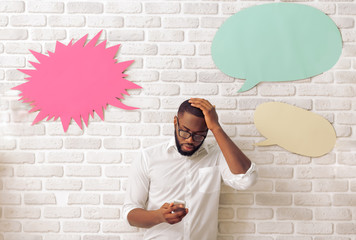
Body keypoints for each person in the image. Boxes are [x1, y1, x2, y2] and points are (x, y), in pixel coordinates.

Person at [123, 98, 257, 240]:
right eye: (185, 132)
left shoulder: (217, 156)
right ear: (175, 122)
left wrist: (216, 127)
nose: (190, 140)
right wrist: (159, 216)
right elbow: (130, 213)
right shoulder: (148, 157)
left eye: (199, 135)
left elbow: (247, 179)